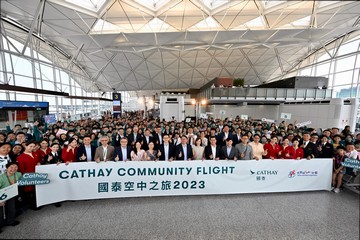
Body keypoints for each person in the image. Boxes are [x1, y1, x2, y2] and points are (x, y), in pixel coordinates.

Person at [17, 141, 40, 210]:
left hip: (37, 175)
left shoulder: (35, 153)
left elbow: (38, 162)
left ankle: (37, 203)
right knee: (30, 191)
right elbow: (21, 169)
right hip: (28, 176)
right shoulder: (21, 157)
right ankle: (32, 205)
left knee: (36, 190)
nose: (32, 148)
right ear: (25, 146)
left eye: (33, 146)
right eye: (30, 146)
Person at [0, 162, 22, 232]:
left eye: (16, 167)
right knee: (0, 213)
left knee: (11, 209)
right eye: (11, 167)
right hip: (1, 196)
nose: (13, 169)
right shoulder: (1, 178)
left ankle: (10, 221)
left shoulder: (18, 174)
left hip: (11, 195)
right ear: (7, 168)